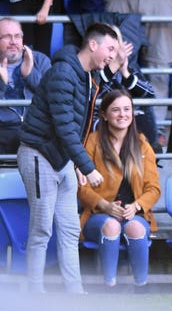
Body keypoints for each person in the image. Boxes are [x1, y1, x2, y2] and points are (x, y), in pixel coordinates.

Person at [17, 22, 118, 293]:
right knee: (41, 231)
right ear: (93, 44)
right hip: (39, 155)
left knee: (70, 230)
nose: (112, 55)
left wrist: (74, 163)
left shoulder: (85, 75)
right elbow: (64, 127)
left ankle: (76, 293)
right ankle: (35, 293)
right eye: (110, 48)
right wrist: (87, 165)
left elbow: (74, 126)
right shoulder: (64, 72)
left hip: (62, 159)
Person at [78, 89, 160, 288]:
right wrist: (105, 206)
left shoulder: (142, 144)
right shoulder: (93, 141)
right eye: (116, 110)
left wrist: (137, 206)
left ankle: (142, 287)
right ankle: (109, 287)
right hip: (98, 214)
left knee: (136, 227)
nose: (122, 114)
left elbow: (154, 189)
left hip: (134, 214)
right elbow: (82, 188)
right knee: (111, 226)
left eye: (127, 109)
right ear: (104, 115)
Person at [94, 25, 159, 151]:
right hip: (102, 123)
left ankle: (148, 147)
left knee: (142, 111)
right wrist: (112, 68)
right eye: (109, 47)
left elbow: (151, 96)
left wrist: (125, 74)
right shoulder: (95, 67)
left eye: (117, 43)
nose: (113, 52)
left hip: (127, 124)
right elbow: (95, 92)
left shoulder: (130, 67)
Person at [0, 17, 50, 154]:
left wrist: (30, 75)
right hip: (3, 131)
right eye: (7, 37)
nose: (13, 42)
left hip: (36, 131)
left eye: (17, 36)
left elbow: (53, 96)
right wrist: (1, 85)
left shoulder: (40, 60)